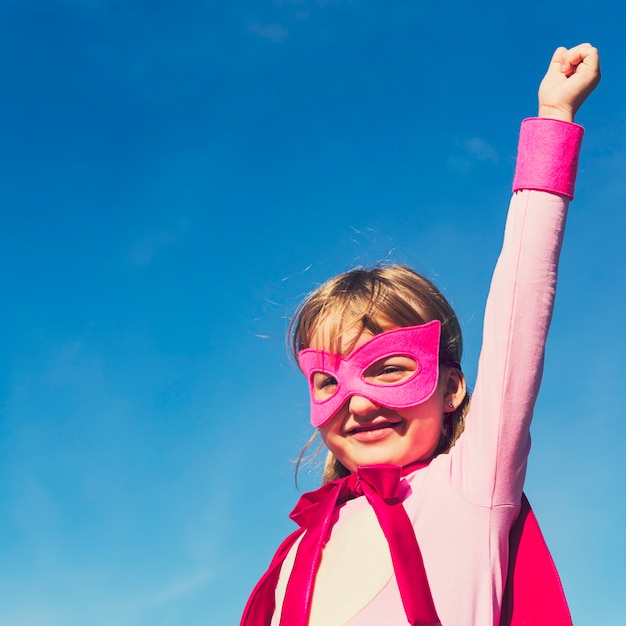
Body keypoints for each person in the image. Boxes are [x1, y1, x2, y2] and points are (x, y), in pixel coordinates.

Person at [242, 43, 601, 626]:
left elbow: (520, 309)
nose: (358, 402)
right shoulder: (291, 559)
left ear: (452, 386)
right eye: (329, 379)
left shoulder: (470, 490)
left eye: (388, 367)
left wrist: (553, 122)